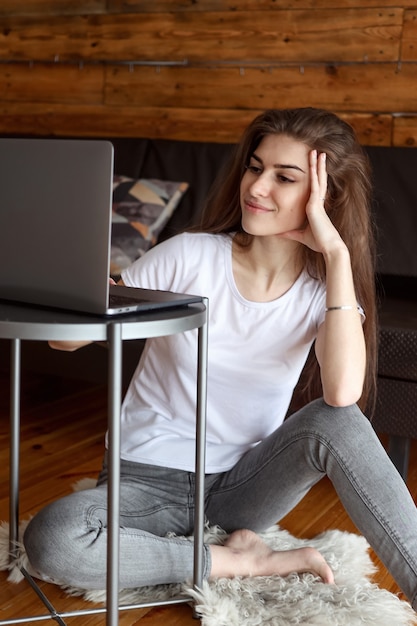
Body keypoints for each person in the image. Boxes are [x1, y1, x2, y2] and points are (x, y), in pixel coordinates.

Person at [24, 108, 417, 608]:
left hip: (244, 489)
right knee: (54, 538)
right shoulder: (190, 256)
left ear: (324, 196)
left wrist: (337, 256)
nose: (257, 187)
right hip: (146, 479)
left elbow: (342, 395)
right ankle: (238, 560)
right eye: (255, 168)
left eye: (284, 177)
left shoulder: (326, 292)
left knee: (337, 421)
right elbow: (67, 342)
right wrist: (80, 290)